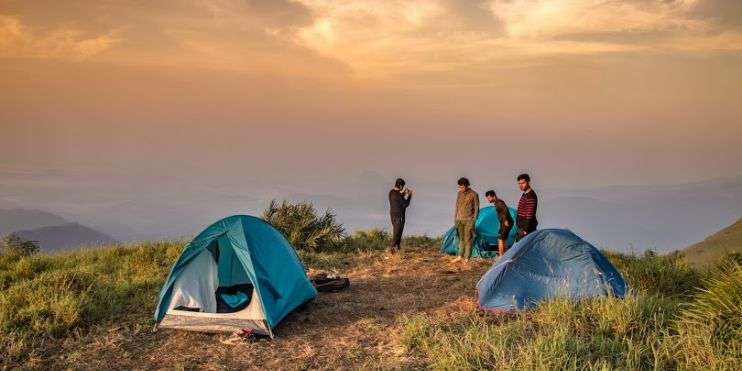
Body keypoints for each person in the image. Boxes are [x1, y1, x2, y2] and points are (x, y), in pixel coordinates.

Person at [453, 177, 479, 263]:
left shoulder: (474, 194)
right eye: (459, 187)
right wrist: (455, 218)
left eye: (462, 187)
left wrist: (474, 220)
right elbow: (456, 206)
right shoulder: (459, 193)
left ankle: (467, 258)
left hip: (469, 220)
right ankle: (460, 256)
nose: (461, 189)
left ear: (467, 185)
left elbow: (476, 208)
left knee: (468, 239)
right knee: (461, 238)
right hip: (459, 219)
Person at [485, 190, 513, 257]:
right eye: (487, 198)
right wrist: (500, 224)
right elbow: (501, 213)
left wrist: (506, 220)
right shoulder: (497, 203)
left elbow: (505, 210)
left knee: (500, 239)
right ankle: (505, 255)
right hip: (504, 223)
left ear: (493, 196)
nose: (488, 200)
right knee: (502, 239)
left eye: (489, 198)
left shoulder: (499, 202)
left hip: (506, 222)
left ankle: (501, 256)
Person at [388, 178, 412, 253]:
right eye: (403, 186)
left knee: (397, 233)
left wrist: (404, 193)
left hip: (393, 216)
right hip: (399, 217)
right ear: (401, 186)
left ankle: (398, 249)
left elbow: (398, 198)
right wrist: (409, 196)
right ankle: (392, 250)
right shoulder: (399, 195)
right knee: (397, 234)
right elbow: (406, 204)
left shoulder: (391, 192)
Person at [516, 173, 538, 241]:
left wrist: (525, 230)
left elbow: (529, 214)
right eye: (519, 183)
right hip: (521, 227)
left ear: (528, 182)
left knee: (523, 248)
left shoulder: (531, 196)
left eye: (523, 183)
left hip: (526, 229)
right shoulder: (525, 194)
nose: (521, 185)